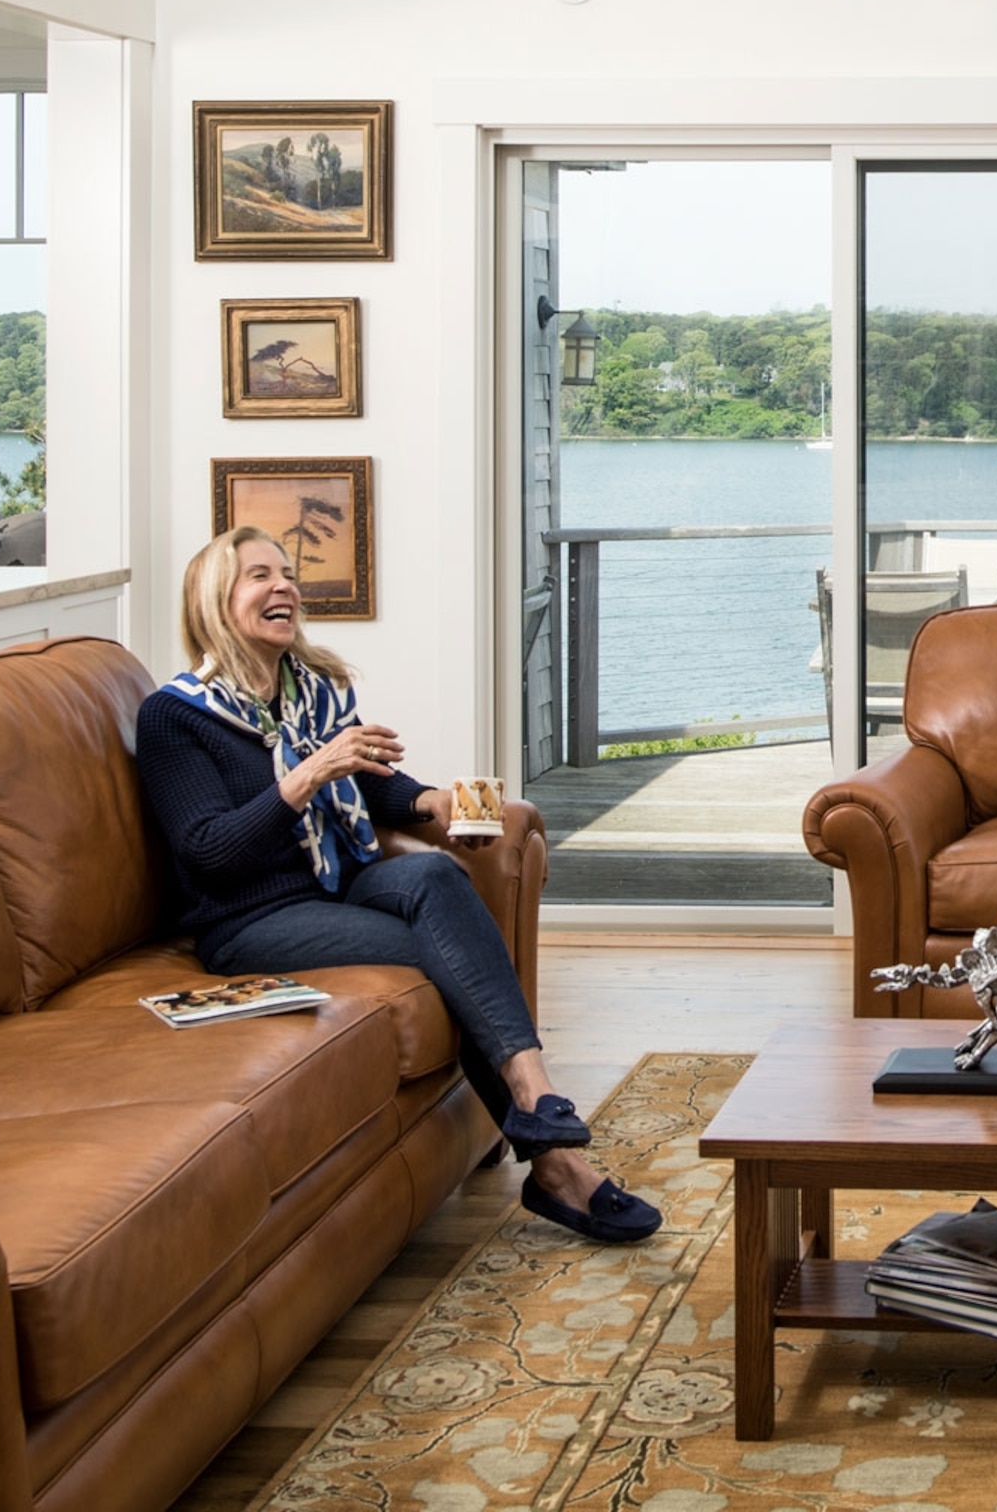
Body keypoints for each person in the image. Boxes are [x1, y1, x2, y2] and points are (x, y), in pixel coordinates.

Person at [136, 526, 658, 1242]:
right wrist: (309, 772)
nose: (284, 586)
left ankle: (536, 1099)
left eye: (288, 574)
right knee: (452, 953)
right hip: (250, 918)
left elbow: (375, 788)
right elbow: (209, 853)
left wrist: (430, 804)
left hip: (339, 880)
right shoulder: (174, 715)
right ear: (212, 601)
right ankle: (559, 1165)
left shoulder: (312, 689)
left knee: (436, 873)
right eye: (260, 575)